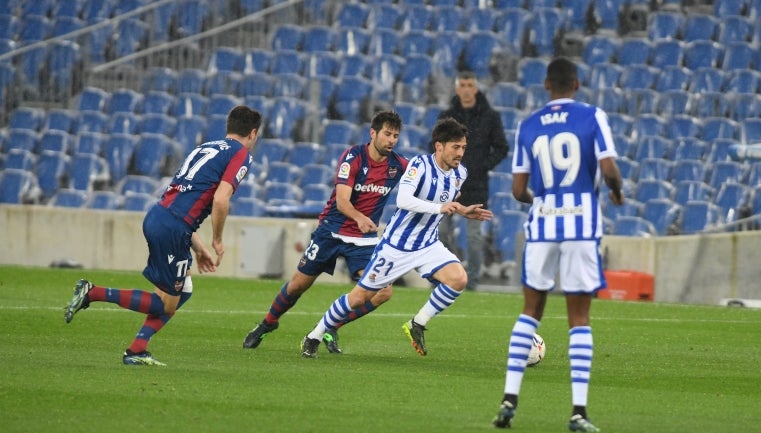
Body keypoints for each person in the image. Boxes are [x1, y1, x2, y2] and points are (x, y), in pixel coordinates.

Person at [64, 105, 262, 365]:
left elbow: (181, 201)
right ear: (253, 133)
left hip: (160, 216)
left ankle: (137, 350)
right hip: (173, 227)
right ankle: (93, 292)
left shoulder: (206, 148)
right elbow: (221, 200)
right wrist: (217, 239)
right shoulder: (241, 154)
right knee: (165, 304)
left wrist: (199, 248)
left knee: (184, 290)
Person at [491, 57, 623, 433]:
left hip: (542, 224)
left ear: (546, 86)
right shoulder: (592, 116)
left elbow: (518, 190)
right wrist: (616, 191)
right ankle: (578, 411)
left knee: (530, 309)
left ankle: (509, 399)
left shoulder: (528, 125)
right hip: (581, 223)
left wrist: (546, 200)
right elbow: (609, 168)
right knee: (578, 317)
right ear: (577, 84)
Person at [300, 117, 493, 359]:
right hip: (396, 246)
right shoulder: (419, 166)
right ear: (439, 146)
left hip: (427, 244)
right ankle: (314, 335)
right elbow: (403, 200)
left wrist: (463, 210)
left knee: (458, 279)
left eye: (463, 147)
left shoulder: (460, 173)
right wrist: (439, 208)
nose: (460, 153)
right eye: (456, 147)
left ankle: (417, 324)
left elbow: (448, 201)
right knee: (359, 297)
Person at [243, 111, 408, 353]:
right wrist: (359, 217)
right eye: (387, 134)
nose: (391, 140)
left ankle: (331, 326)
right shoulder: (353, 157)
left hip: (362, 241)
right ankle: (268, 323)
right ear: (373, 133)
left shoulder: (399, 165)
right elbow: (342, 201)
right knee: (298, 285)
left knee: (383, 291)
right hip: (331, 232)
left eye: (395, 136)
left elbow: (424, 176)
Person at [437, 71, 509, 290]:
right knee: (440, 232)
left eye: (470, 85)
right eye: (463, 85)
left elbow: (502, 147)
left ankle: (472, 282)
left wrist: (482, 166)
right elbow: (437, 146)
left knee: (474, 237)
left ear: (475, 88)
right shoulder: (447, 116)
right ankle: (447, 275)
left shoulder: (490, 116)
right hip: (448, 183)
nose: (467, 89)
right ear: (457, 89)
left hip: (476, 184)